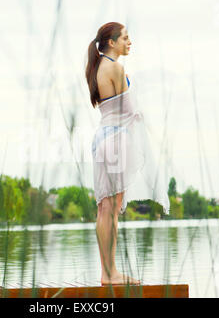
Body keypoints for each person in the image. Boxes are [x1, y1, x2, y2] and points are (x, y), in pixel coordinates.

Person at [85, 22, 170, 286]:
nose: (129, 42)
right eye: (125, 38)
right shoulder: (116, 68)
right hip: (117, 140)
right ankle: (110, 274)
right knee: (109, 210)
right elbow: (130, 109)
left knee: (104, 209)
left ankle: (108, 272)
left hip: (102, 137)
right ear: (111, 42)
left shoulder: (98, 67)